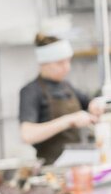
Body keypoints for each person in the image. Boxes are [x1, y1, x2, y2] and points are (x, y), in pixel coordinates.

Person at [18, 34, 105, 164]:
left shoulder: (66, 86)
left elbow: (89, 102)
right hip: (51, 167)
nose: (67, 67)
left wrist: (95, 105)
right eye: (60, 63)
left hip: (76, 163)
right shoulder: (31, 91)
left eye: (68, 61)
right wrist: (69, 120)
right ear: (43, 63)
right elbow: (27, 135)